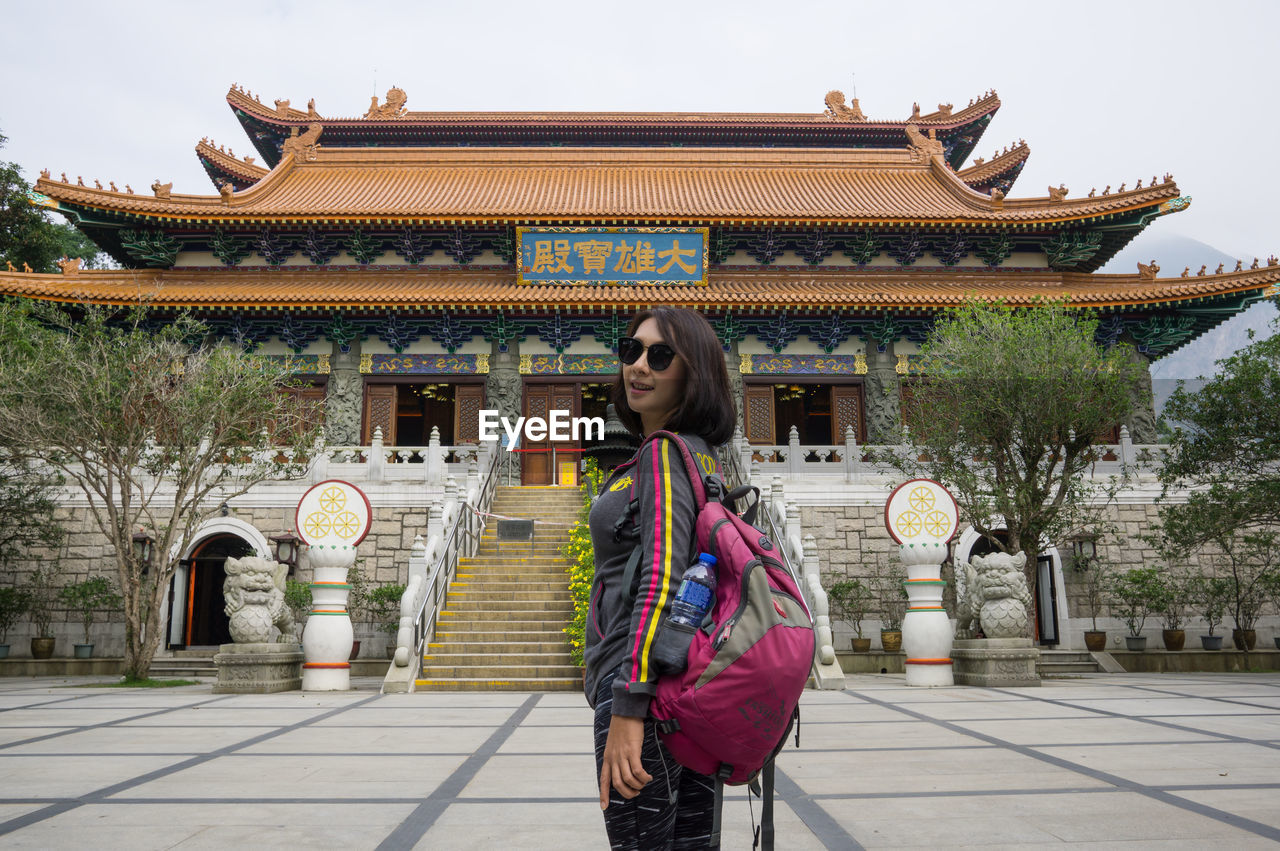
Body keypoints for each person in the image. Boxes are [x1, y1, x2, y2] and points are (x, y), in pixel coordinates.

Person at [584, 306, 736, 849]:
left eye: (660, 355)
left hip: (644, 691)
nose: (638, 366)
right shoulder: (702, 457)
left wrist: (628, 705)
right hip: (684, 690)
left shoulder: (663, 455)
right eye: (632, 351)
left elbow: (662, 580)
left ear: (694, 374)